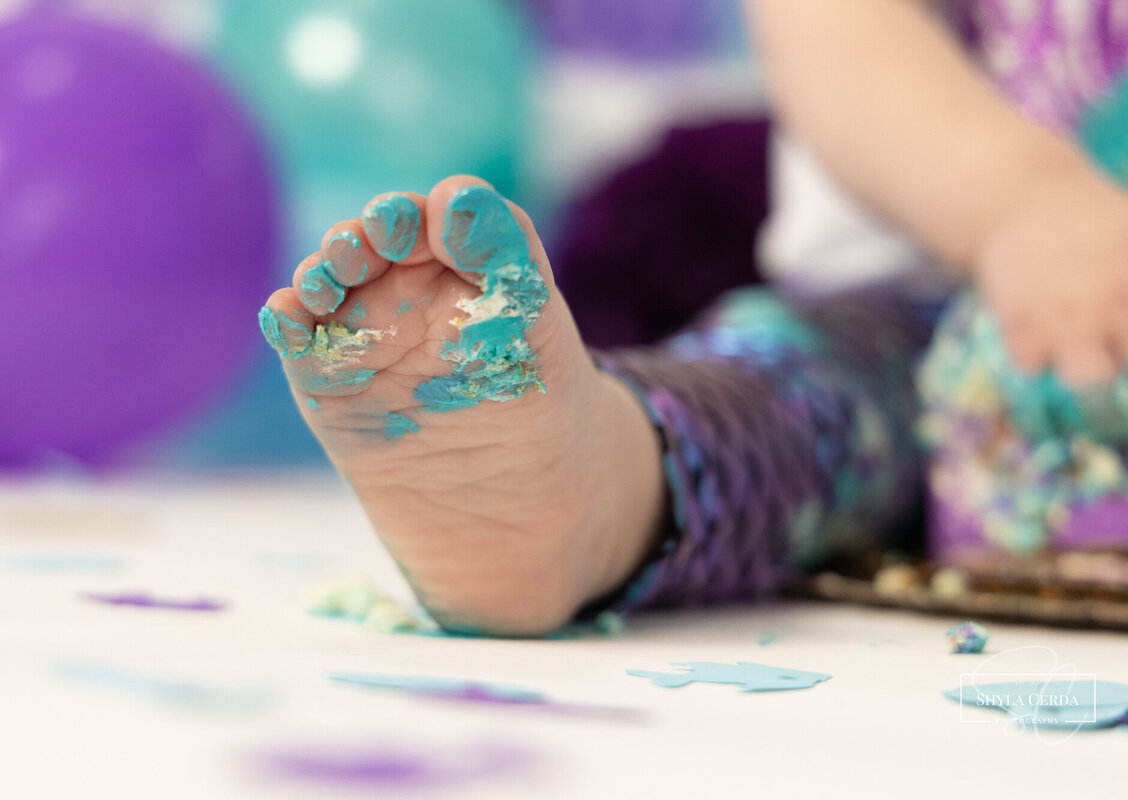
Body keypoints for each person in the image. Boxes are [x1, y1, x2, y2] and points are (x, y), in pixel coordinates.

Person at [258, 0, 1128, 636]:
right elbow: (840, 30)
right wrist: (1022, 202)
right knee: (782, 393)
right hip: (932, 310)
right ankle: (594, 494)